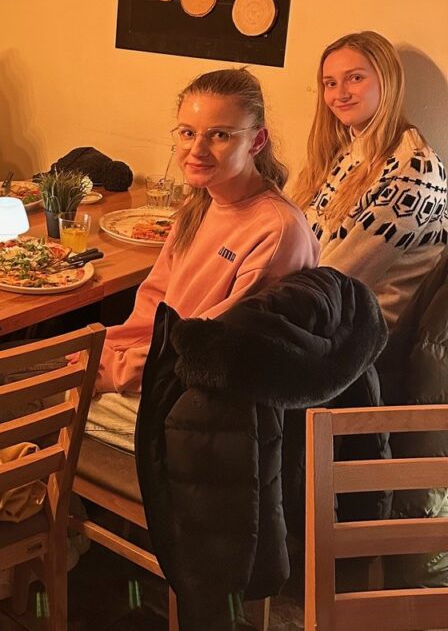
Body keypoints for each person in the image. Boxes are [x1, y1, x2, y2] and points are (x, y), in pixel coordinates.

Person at [83, 68, 320, 452]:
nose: (197, 149)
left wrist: (117, 373)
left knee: (31, 395)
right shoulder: (200, 204)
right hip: (161, 373)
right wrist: (105, 353)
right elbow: (154, 307)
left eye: (220, 135)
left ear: (257, 141)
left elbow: (211, 348)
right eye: (188, 133)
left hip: (205, 407)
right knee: (27, 368)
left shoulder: (277, 230)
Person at [291, 31, 447, 329]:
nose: (340, 94)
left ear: (387, 81)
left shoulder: (415, 167)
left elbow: (339, 276)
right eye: (330, 83)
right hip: (319, 312)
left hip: (363, 333)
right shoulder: (344, 151)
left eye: (355, 78)